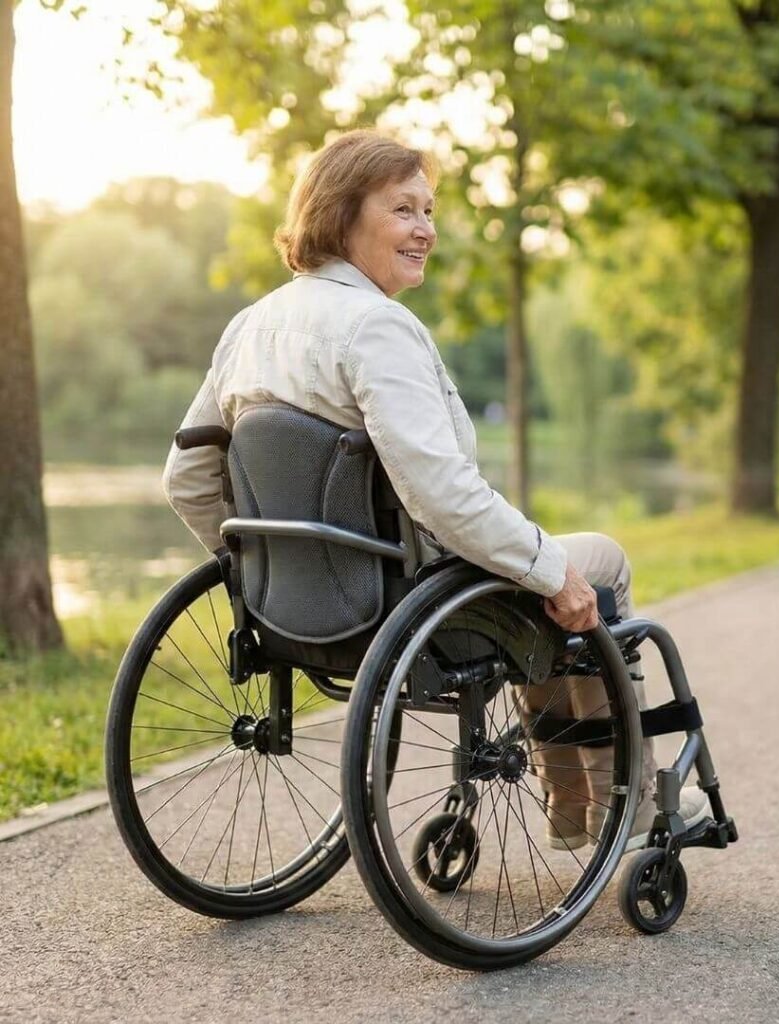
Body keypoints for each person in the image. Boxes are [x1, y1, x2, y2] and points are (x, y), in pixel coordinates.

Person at [163, 129, 709, 851]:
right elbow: (440, 493)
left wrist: (262, 568)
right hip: (409, 601)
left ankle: (576, 801)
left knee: (535, 571)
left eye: (428, 210)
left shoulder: (251, 326)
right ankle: (619, 798)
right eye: (403, 210)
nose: (426, 230)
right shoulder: (376, 327)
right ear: (341, 214)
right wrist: (548, 568)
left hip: (291, 610)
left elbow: (188, 476)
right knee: (594, 563)